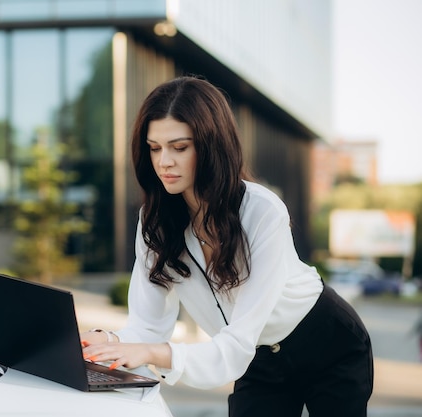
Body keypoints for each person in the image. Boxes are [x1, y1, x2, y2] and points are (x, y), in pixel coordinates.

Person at [80, 76, 373, 417]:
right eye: (154, 147)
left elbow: (233, 345)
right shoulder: (154, 220)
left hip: (328, 341)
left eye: (179, 147)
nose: (164, 162)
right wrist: (107, 342)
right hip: (258, 355)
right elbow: (147, 326)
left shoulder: (263, 211)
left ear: (211, 145)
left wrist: (151, 353)